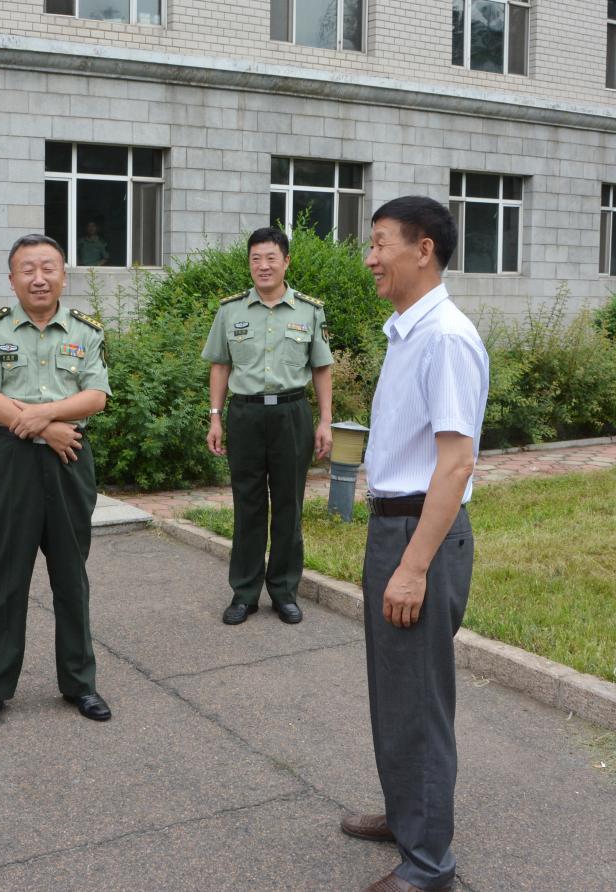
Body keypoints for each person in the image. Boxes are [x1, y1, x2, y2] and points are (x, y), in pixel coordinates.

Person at [340, 197, 488, 892]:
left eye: (379, 244)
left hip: (418, 534)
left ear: (422, 249)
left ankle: (429, 866)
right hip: (394, 525)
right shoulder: (408, 331)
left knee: (419, 702)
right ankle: (408, 816)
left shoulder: (446, 337)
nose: (370, 258)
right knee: (395, 692)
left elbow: (455, 464)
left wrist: (413, 567)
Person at [0, 233, 112, 730]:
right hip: (9, 460)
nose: (39, 278)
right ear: (12, 280)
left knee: (71, 575)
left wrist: (43, 417)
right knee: (4, 577)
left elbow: (96, 396)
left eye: (48, 268)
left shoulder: (85, 331)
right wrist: (46, 428)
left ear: (63, 276)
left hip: (70, 459)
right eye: (27, 269)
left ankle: (80, 683)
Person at [202, 226, 333, 626]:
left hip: (291, 414)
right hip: (245, 415)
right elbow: (220, 365)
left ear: (286, 261)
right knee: (248, 505)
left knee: (289, 505)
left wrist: (326, 420)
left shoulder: (309, 311)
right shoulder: (231, 311)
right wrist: (215, 416)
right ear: (249, 264)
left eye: (271, 258)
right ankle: (244, 594)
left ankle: (284, 591)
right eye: (256, 258)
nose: (263, 266)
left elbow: (321, 367)